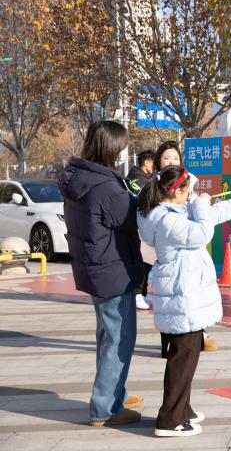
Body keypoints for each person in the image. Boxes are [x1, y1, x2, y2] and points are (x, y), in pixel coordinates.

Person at [137, 166, 231, 437]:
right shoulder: (167, 220)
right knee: (182, 357)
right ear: (175, 191)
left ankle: (182, 409)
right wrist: (201, 204)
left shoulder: (169, 211)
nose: (191, 196)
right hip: (183, 295)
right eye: (188, 191)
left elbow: (209, 216)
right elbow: (203, 231)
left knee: (187, 355)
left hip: (185, 292)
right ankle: (169, 418)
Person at [58, 120, 145, 427]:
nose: (124, 151)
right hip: (113, 270)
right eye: (122, 146)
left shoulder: (80, 178)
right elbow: (133, 217)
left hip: (96, 269)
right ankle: (106, 408)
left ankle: (113, 394)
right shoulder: (106, 187)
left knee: (107, 337)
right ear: (111, 148)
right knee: (119, 340)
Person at [151, 141, 217, 352]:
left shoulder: (186, 184)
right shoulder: (153, 190)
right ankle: (175, 344)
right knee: (171, 300)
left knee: (184, 299)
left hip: (187, 253)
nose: (171, 161)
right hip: (170, 253)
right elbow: (202, 229)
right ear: (158, 161)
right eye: (166, 158)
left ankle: (193, 337)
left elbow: (200, 213)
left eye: (175, 158)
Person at [127, 149, 156, 310]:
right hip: (137, 225)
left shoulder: (145, 177)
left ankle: (142, 292)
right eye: (153, 163)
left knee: (148, 260)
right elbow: (146, 197)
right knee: (142, 261)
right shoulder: (137, 178)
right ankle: (137, 294)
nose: (154, 166)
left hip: (144, 224)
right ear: (146, 162)